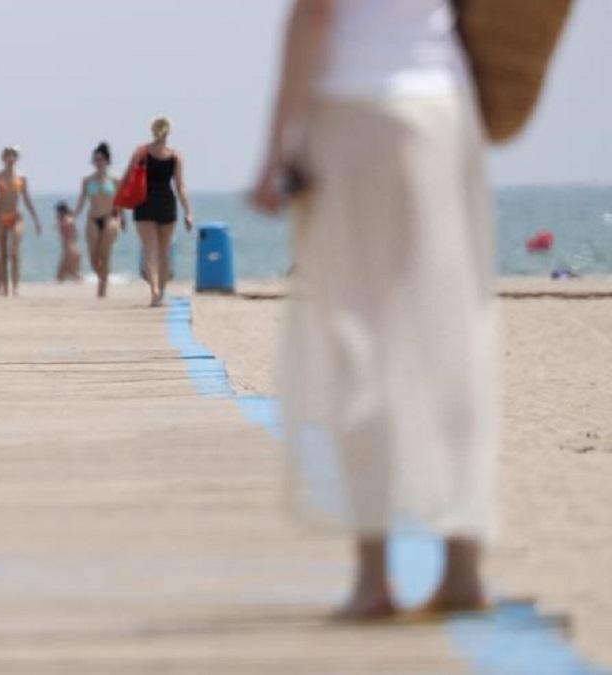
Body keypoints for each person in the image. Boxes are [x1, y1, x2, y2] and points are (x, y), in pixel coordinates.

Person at [249, 0, 496, 621]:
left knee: (359, 338)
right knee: (451, 329)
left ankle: (373, 576)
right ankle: (462, 565)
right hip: (446, 106)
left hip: (358, 110)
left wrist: (278, 146)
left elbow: (314, 14)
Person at [130, 117, 193, 307]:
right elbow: (180, 186)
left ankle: (154, 291)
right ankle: (161, 292)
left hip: (145, 203)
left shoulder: (141, 152)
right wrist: (188, 212)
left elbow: (131, 178)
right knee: (164, 252)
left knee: (150, 250)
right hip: (166, 202)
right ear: (169, 132)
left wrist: (121, 202)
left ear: (152, 130)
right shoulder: (175, 156)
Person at [0, 146, 43, 296]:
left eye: (13, 156)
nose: (10, 159)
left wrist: (36, 220)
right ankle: (4, 286)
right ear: (3, 158)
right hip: (1, 216)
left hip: (16, 216)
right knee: (3, 253)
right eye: (7, 156)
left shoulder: (21, 178)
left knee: (14, 252)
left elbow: (27, 199)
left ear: (16, 158)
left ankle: (16, 286)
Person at [73, 142, 122, 298]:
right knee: (94, 257)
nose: (98, 163)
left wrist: (123, 219)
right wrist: (73, 215)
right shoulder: (87, 180)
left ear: (107, 161)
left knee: (105, 254)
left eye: (101, 159)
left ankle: (102, 289)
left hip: (109, 218)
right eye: (96, 160)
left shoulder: (115, 179)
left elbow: (120, 201)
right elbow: (81, 200)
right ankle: (101, 278)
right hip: (93, 218)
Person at [54, 202, 82, 282]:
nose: (57, 214)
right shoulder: (69, 219)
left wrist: (59, 222)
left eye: (58, 212)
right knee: (63, 274)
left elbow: (64, 226)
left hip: (69, 249)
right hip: (72, 248)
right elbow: (76, 234)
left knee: (69, 273)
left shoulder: (66, 220)